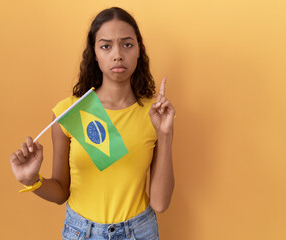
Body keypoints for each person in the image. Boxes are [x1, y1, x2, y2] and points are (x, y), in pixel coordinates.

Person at [10, 7, 175, 240]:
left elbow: (159, 203)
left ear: (139, 50)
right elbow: (60, 193)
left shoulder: (155, 113)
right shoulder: (70, 112)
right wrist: (31, 180)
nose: (117, 54)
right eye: (106, 46)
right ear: (94, 53)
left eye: (127, 44)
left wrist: (166, 135)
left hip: (139, 232)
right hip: (81, 233)